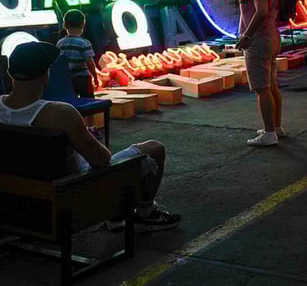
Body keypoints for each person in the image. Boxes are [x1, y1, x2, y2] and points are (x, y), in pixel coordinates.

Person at [1, 41, 181, 232]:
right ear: (46, 75)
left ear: (10, 74)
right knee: (154, 149)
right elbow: (101, 160)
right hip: (72, 197)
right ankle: (147, 214)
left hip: (14, 201)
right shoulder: (60, 114)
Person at [237, 0, 285, 146]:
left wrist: (246, 36)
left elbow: (261, 11)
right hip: (272, 37)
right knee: (271, 84)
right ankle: (276, 126)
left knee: (262, 88)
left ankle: (268, 133)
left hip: (258, 40)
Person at [56, 9, 98, 98]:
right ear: (83, 24)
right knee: (88, 101)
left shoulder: (60, 43)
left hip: (68, 79)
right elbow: (90, 62)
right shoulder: (84, 43)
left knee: (73, 102)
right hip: (83, 78)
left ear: (64, 25)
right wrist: (95, 76)